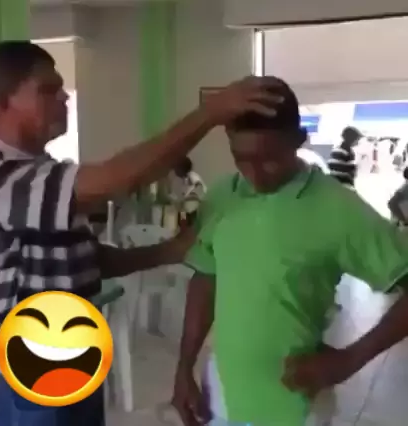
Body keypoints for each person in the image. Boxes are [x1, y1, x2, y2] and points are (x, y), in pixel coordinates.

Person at [0, 41, 281, 426]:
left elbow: (90, 260)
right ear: (3, 102)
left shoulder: (41, 171)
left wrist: (172, 250)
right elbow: (117, 179)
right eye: (48, 90)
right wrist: (209, 114)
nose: (64, 98)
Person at [172, 77, 408, 426]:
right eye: (242, 159)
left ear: (299, 140)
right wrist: (184, 367)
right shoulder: (223, 197)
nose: (255, 175)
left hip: (295, 411)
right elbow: (206, 278)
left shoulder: (337, 208)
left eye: (270, 159)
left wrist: (349, 360)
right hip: (221, 402)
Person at [171, 157, 207, 226]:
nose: (175, 171)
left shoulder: (183, 181)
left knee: (187, 223)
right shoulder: (185, 179)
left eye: (176, 169)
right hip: (192, 207)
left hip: (190, 207)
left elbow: (181, 204)